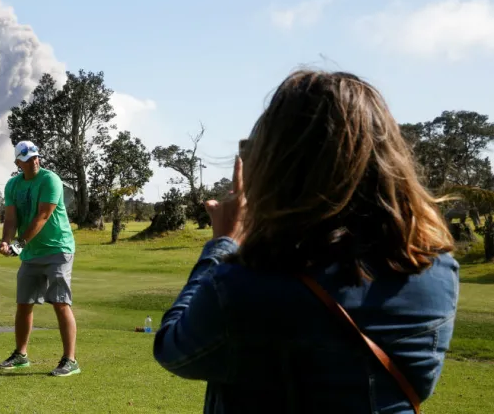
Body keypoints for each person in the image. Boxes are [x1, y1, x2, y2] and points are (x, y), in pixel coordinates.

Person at [153, 70, 458, 413]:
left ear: (281, 166)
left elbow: (174, 349)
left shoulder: (244, 288)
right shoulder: (438, 272)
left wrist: (223, 244)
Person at [0, 140, 80, 377]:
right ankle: (21, 355)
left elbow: (43, 215)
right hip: (32, 253)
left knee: (60, 303)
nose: (34, 161)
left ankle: (70, 360)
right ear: (18, 163)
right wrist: (6, 241)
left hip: (57, 249)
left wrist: (19, 244)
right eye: (27, 158)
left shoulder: (50, 179)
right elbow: (11, 219)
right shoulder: (12, 185)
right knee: (24, 304)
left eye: (35, 156)